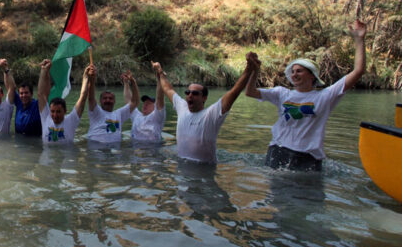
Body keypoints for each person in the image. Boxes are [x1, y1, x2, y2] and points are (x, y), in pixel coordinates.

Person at [245, 20, 367, 171]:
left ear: (312, 76)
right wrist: (255, 71)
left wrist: (359, 39)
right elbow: (250, 92)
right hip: (278, 151)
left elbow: (358, 71)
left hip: (308, 157)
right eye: (293, 71)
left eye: (300, 71)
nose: (295, 74)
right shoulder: (281, 93)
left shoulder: (326, 96)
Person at [153, 54, 256, 163]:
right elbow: (168, 89)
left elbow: (234, 92)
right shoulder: (182, 107)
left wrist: (248, 70)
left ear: (204, 98)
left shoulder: (211, 114)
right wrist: (160, 71)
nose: (190, 95)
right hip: (182, 170)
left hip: (204, 171)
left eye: (195, 93)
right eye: (188, 92)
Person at [37, 59, 93, 145]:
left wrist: (85, 77)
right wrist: (43, 71)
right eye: (53, 111)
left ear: (65, 111)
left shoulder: (71, 121)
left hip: (67, 158)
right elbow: (41, 94)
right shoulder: (46, 118)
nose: (55, 115)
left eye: (58, 112)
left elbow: (82, 98)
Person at [86, 69, 138, 144]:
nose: (108, 100)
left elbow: (135, 102)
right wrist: (92, 80)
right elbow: (91, 98)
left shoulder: (119, 114)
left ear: (114, 101)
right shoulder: (95, 111)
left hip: (115, 151)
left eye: (111, 98)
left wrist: (133, 81)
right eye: (105, 98)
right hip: (96, 150)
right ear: (100, 101)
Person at [125, 68, 166, 144]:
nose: (145, 105)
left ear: (155, 107)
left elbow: (160, 98)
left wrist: (159, 78)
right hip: (135, 150)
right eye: (144, 103)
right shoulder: (137, 116)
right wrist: (126, 83)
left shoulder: (157, 117)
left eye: (149, 103)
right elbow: (128, 101)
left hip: (151, 151)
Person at [2, 59, 42, 136]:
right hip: (19, 142)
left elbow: (43, 93)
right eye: (21, 93)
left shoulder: (37, 105)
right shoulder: (19, 102)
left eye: (26, 93)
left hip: (34, 143)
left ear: (32, 93)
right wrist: (5, 69)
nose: (24, 95)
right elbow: (10, 87)